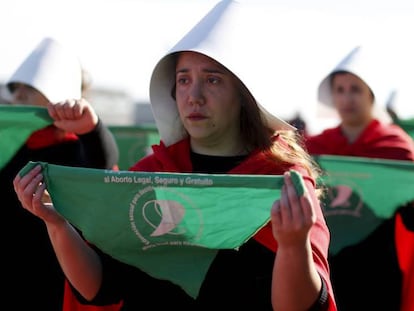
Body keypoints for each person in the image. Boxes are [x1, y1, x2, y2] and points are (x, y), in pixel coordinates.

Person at [13, 1, 337, 310]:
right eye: (184, 80)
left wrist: (294, 246)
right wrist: (56, 224)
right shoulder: (149, 173)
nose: (194, 96)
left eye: (212, 80)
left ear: (245, 96)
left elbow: (299, 306)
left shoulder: (280, 181)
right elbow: (100, 287)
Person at [1, 36, 119, 310]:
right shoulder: (8, 147)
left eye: (28, 89)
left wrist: (92, 129)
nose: (17, 96)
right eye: (16, 88)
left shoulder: (76, 150)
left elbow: (104, 166)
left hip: (52, 281)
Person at [305, 45, 414, 311]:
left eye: (355, 89)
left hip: (378, 262)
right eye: (340, 90)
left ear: (370, 94)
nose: (347, 98)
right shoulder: (315, 147)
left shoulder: (396, 147)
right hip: (327, 261)